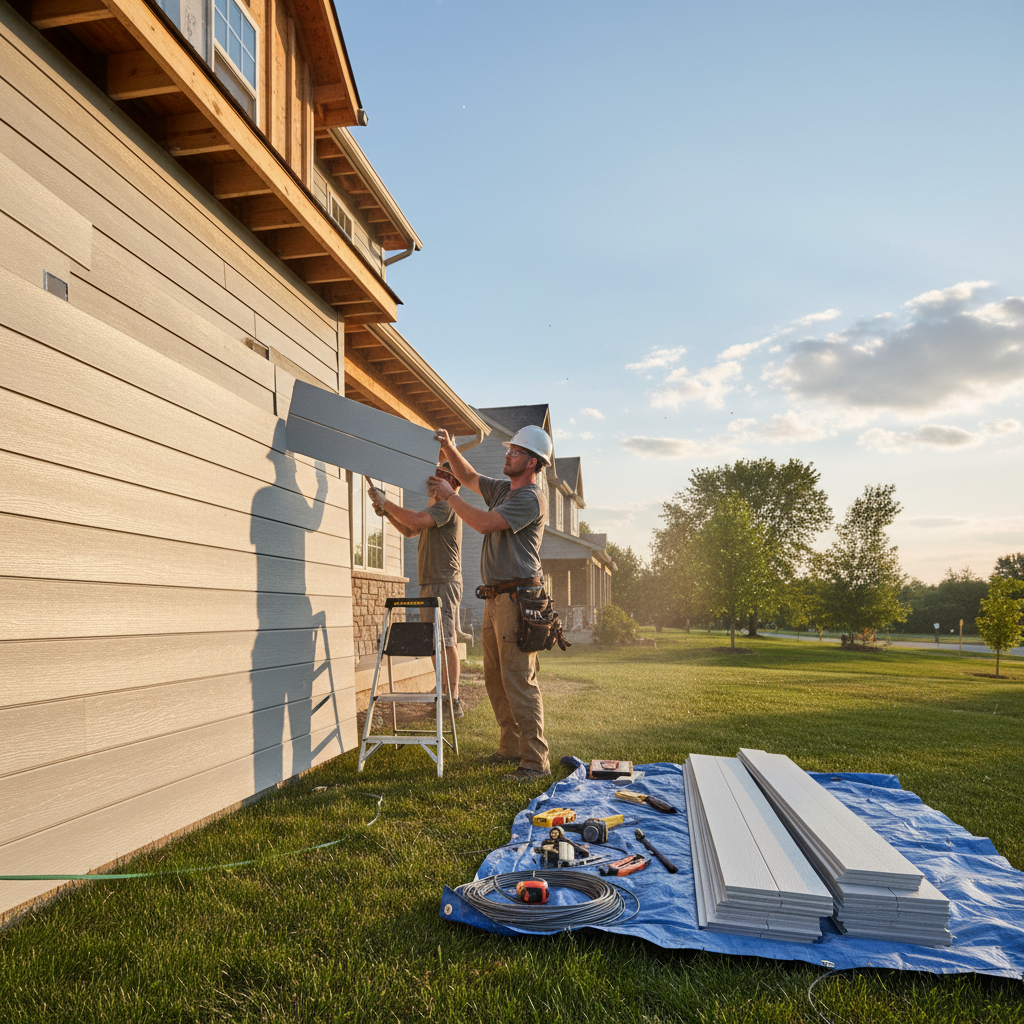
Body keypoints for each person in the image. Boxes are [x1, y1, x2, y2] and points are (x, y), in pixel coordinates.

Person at [428, 425, 552, 781]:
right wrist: (449, 447)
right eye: (508, 450)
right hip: (496, 597)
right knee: (495, 678)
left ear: (532, 463)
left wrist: (450, 496)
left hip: (518, 599)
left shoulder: (530, 498)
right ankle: (510, 748)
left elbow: (483, 524)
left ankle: (534, 761)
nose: (507, 455)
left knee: (519, 679)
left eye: (514, 452)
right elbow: (467, 476)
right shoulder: (503, 489)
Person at [369, 467, 464, 716]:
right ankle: (443, 695)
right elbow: (410, 530)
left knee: (446, 640)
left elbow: (415, 521)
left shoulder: (448, 506)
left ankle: (453, 700)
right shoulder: (435, 508)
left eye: (440, 475)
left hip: (444, 581)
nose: (432, 479)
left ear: (453, 481)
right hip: (431, 582)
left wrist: (386, 503)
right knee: (435, 641)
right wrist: (385, 511)